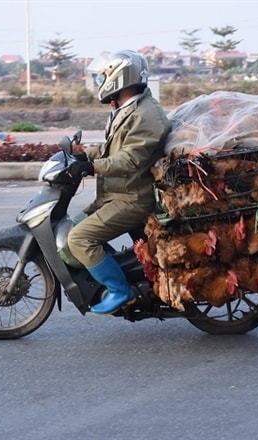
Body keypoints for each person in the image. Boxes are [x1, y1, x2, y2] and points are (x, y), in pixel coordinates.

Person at [66, 50, 171, 314]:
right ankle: (119, 273)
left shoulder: (147, 114)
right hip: (116, 193)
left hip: (133, 199)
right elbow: (114, 150)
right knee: (70, 229)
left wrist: (91, 167)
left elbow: (130, 159)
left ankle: (119, 290)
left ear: (119, 76)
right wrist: (84, 154)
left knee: (79, 238)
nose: (102, 79)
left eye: (104, 75)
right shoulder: (128, 107)